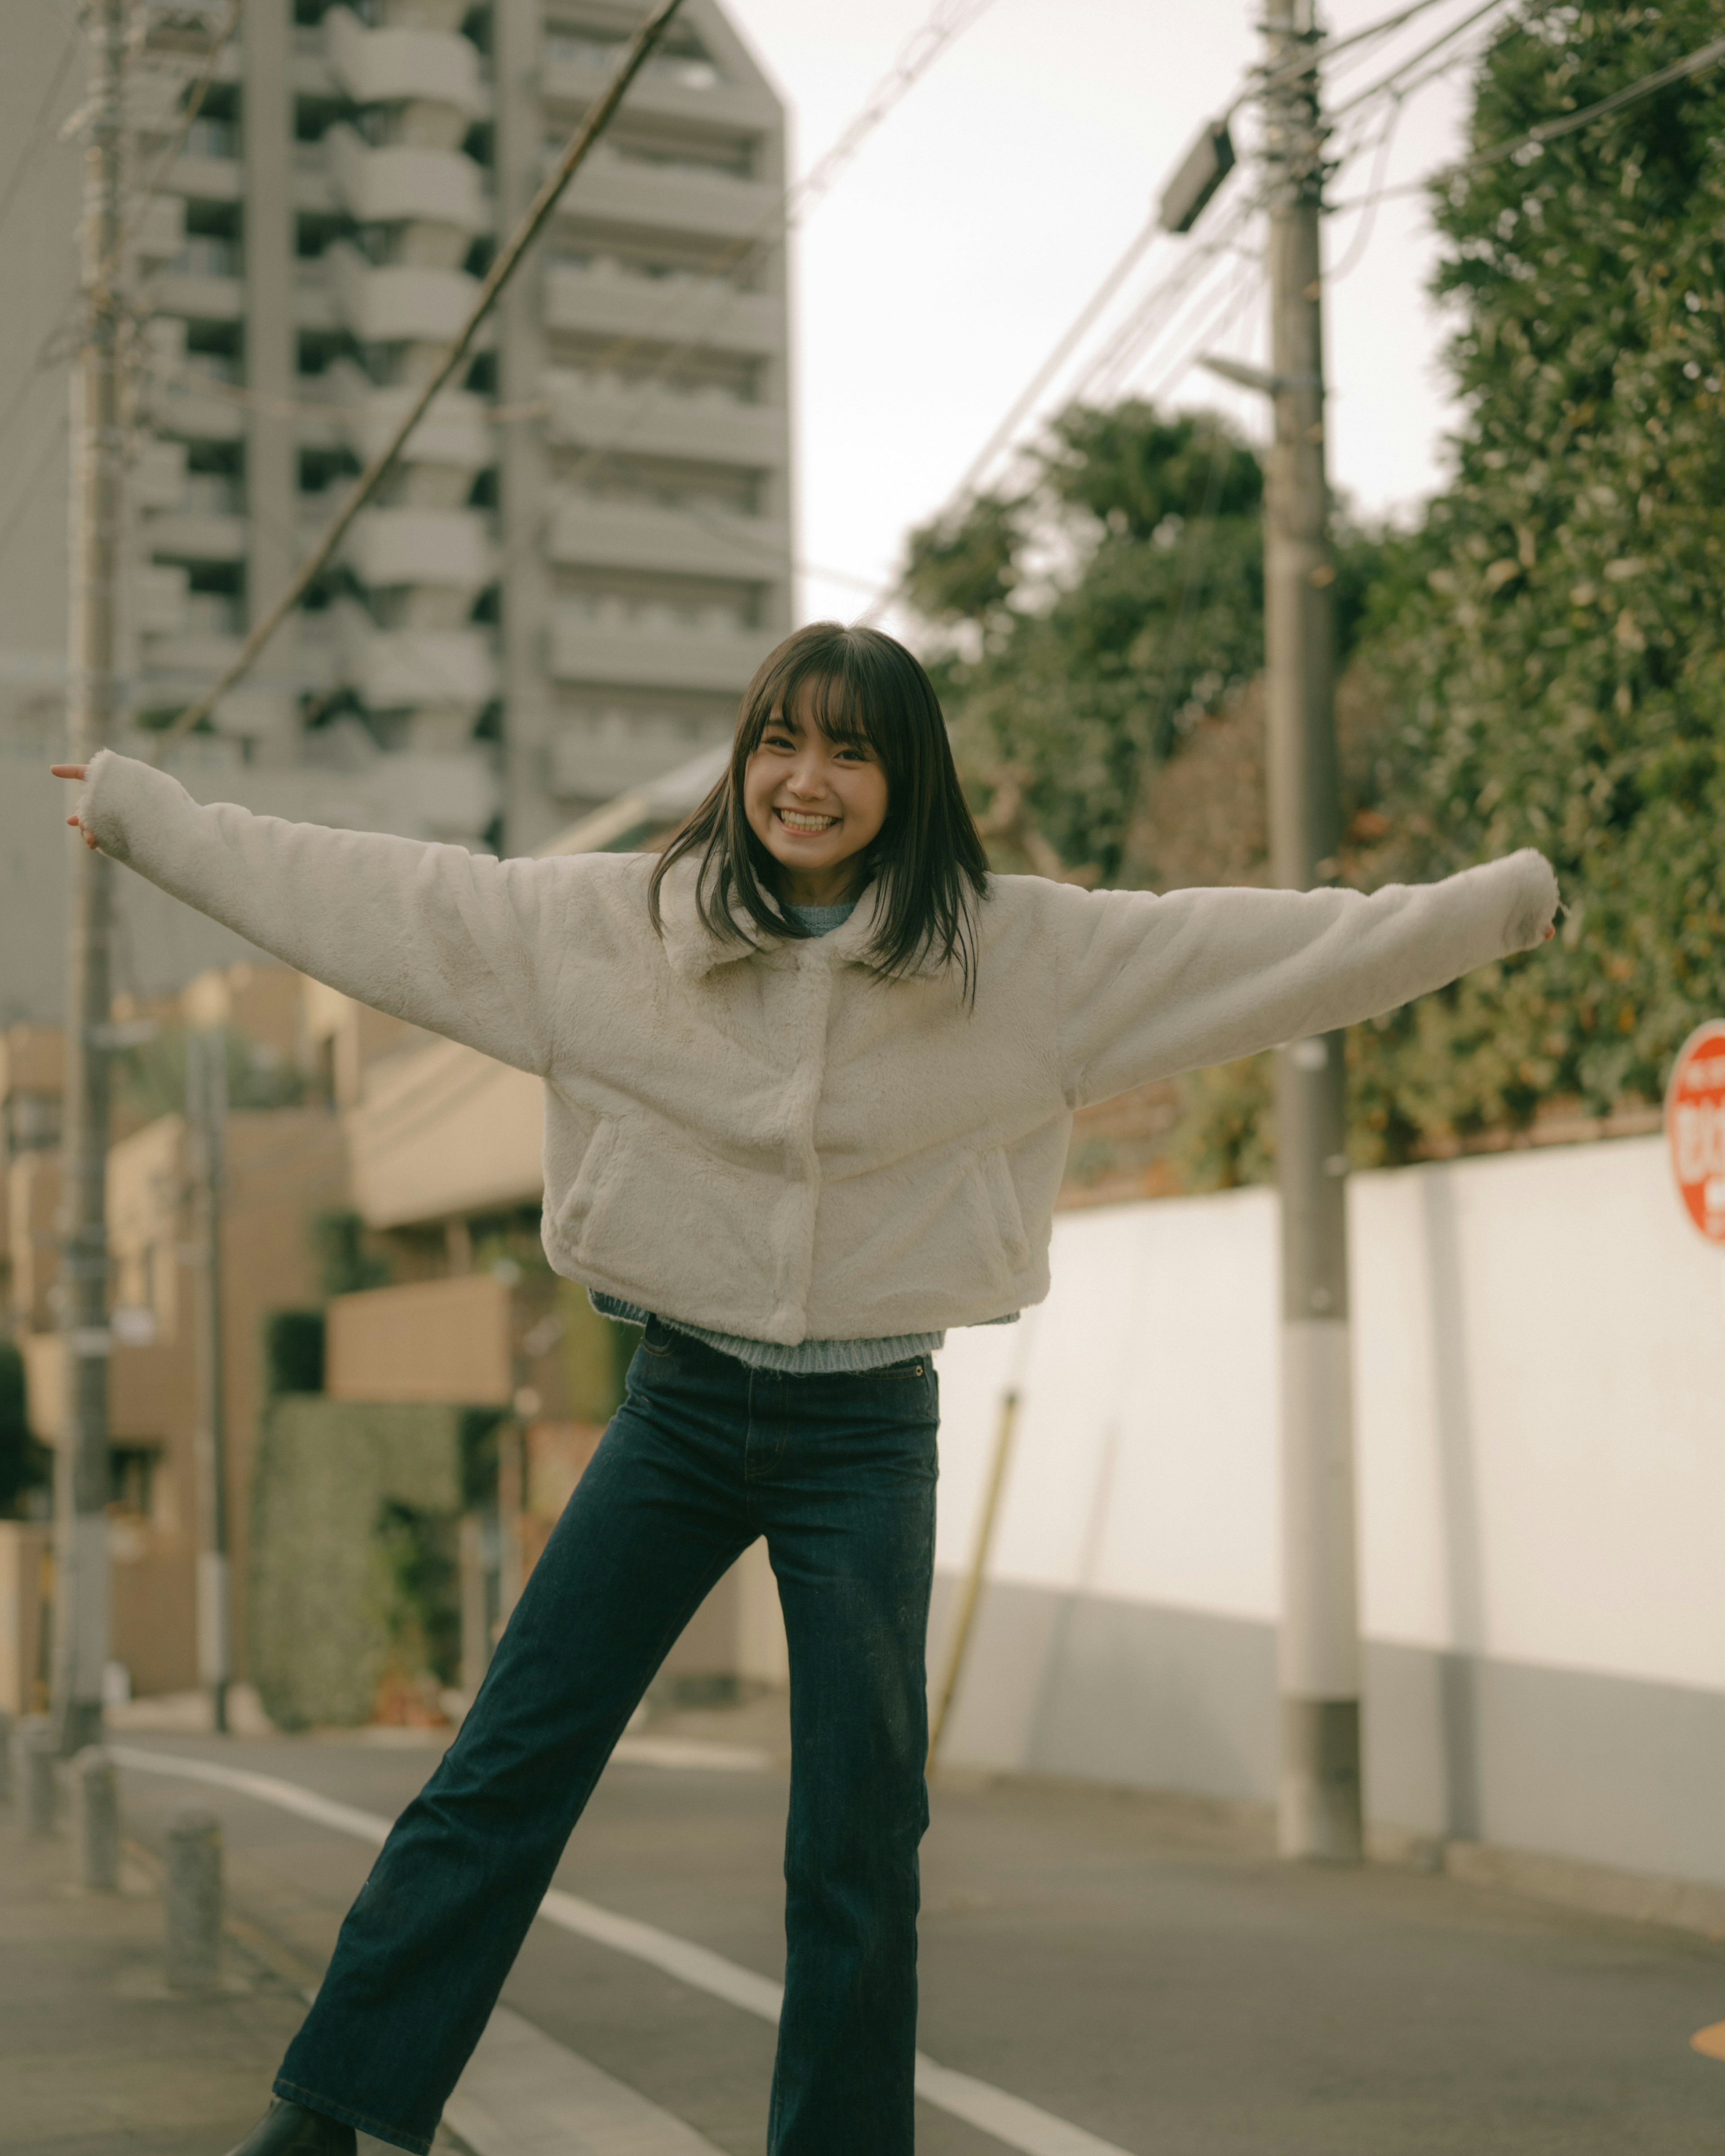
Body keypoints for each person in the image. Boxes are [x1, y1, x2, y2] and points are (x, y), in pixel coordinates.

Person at [54, 621, 1557, 2156]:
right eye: (781, 741)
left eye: (850, 749)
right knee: (505, 1768)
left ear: (906, 778)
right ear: (744, 756)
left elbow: (1266, 949)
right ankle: (325, 2121)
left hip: (866, 1433)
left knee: (858, 1845)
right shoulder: (619, 927)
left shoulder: (1018, 959)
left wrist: (1493, 910)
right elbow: (390, 901)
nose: (807, 780)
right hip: (680, 1410)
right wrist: (150, 818)